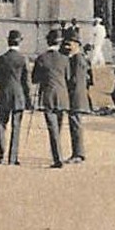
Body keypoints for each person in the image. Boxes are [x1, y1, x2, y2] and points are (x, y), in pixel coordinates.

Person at [31, 28, 70, 168]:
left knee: (52, 127)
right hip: (62, 95)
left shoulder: (41, 58)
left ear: (48, 42)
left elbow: (35, 79)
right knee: (57, 126)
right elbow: (69, 77)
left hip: (48, 95)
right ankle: (57, 154)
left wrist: (44, 78)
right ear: (59, 43)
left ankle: (57, 157)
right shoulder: (65, 59)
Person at [0, 29, 31, 165]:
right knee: (16, 127)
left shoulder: (1, 58)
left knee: (1, 124)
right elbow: (26, 82)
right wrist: (29, 99)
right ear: (20, 42)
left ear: (8, 41)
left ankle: (1, 154)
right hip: (18, 96)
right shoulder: (23, 59)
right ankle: (12, 157)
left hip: (3, 94)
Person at [65, 34, 90, 162]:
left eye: (70, 44)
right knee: (75, 124)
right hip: (77, 95)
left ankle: (78, 154)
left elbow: (75, 79)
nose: (68, 47)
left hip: (75, 96)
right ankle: (77, 153)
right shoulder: (78, 58)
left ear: (77, 45)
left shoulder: (77, 58)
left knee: (76, 125)